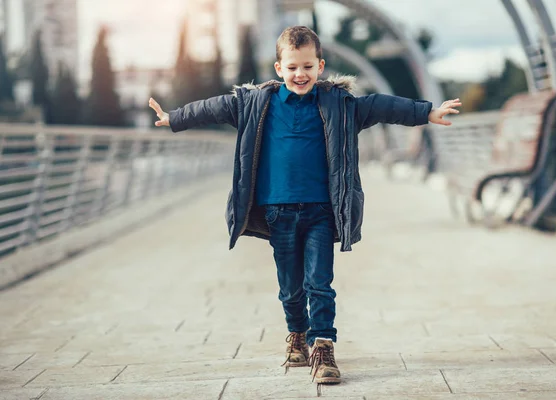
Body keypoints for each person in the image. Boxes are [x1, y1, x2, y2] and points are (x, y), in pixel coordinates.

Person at [149, 26, 461, 385]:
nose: (301, 74)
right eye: (293, 67)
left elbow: (381, 106)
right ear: (279, 69)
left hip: (321, 211)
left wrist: (427, 112)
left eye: (309, 67)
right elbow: (214, 107)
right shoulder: (254, 104)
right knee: (290, 288)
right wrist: (175, 119)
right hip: (277, 212)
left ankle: (323, 346)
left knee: (319, 283)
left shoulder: (340, 105)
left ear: (321, 66)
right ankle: (297, 333)